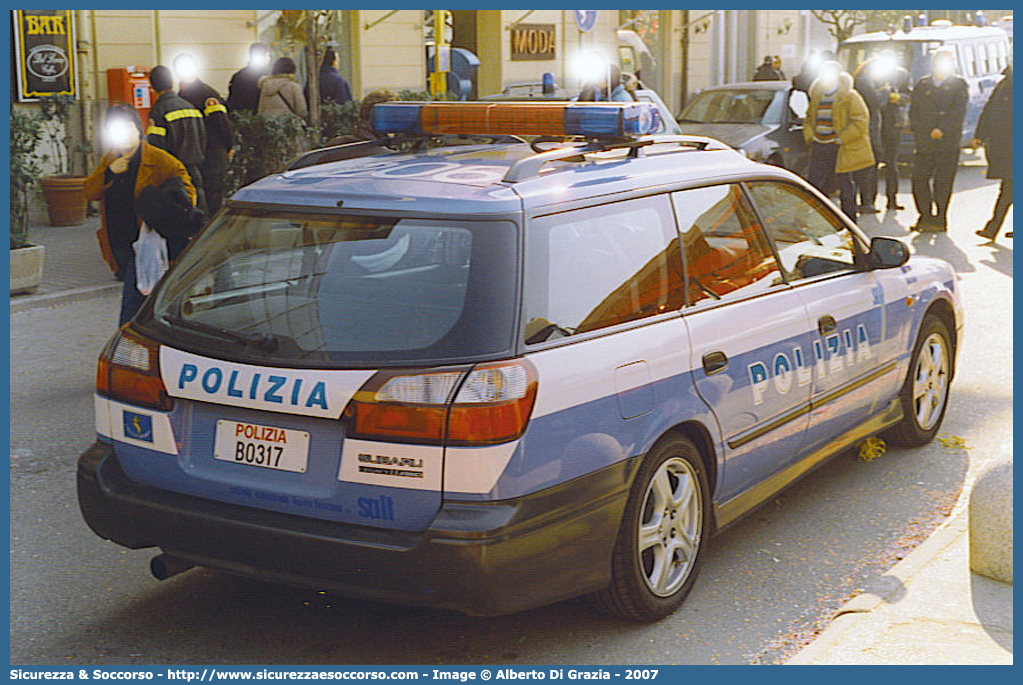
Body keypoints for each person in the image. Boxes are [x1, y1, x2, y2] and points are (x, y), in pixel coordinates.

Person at [84, 103, 197, 325]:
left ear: (139, 129)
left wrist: (159, 209)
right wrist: (109, 172)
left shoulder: (160, 160)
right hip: (119, 243)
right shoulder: (111, 158)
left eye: (128, 128)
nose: (124, 136)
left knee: (131, 306)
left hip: (146, 244)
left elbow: (188, 197)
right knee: (146, 301)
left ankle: (123, 347)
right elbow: (90, 192)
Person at [804, 60, 875, 221]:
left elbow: (860, 121)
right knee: (813, 185)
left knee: (845, 186)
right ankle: (807, 221)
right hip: (819, 145)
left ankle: (849, 222)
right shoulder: (817, 94)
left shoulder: (850, 96)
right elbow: (808, 118)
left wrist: (840, 139)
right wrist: (810, 137)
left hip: (840, 147)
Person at [908, 47, 968, 231]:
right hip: (924, 141)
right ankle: (925, 215)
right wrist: (918, 128)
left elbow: (958, 112)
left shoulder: (959, 85)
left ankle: (940, 218)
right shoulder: (923, 84)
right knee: (919, 180)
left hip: (947, 143)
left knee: (943, 182)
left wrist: (942, 129)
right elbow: (914, 110)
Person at [174, 53, 232, 215]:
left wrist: (228, 147)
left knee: (213, 199)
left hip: (212, 155)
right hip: (194, 157)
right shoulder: (180, 96)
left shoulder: (207, 95)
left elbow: (222, 125)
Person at [147, 65, 207, 212]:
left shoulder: (158, 112)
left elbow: (156, 148)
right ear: (172, 82)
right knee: (199, 214)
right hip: (195, 171)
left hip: (173, 177)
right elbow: (203, 138)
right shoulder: (191, 108)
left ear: (152, 87)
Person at [974, 64, 1013, 241]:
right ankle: (992, 228)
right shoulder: (1005, 83)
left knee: (1008, 189)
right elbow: (989, 110)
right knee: (1008, 188)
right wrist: (980, 134)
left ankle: (992, 228)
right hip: (1005, 145)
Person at [875, 50, 912, 210]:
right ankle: (869, 200)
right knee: (873, 163)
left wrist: (895, 97)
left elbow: (908, 96)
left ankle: (892, 199)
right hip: (876, 123)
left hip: (894, 123)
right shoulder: (873, 74)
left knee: (892, 163)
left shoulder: (902, 74)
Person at [852, 57, 886, 213]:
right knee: (869, 165)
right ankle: (867, 202)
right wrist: (885, 91)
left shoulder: (863, 80)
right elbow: (875, 101)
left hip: (868, 128)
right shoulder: (865, 81)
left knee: (867, 166)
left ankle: (867, 201)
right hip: (868, 130)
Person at [258, 57, 308, 121]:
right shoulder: (294, 86)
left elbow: (260, 110)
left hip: (270, 127)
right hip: (289, 126)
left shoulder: (265, 86)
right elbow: (302, 111)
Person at [227, 43, 271, 113]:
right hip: (259, 117)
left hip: (240, 116)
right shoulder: (266, 76)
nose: (269, 58)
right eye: (268, 55)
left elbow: (233, 99)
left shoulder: (238, 75)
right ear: (263, 56)